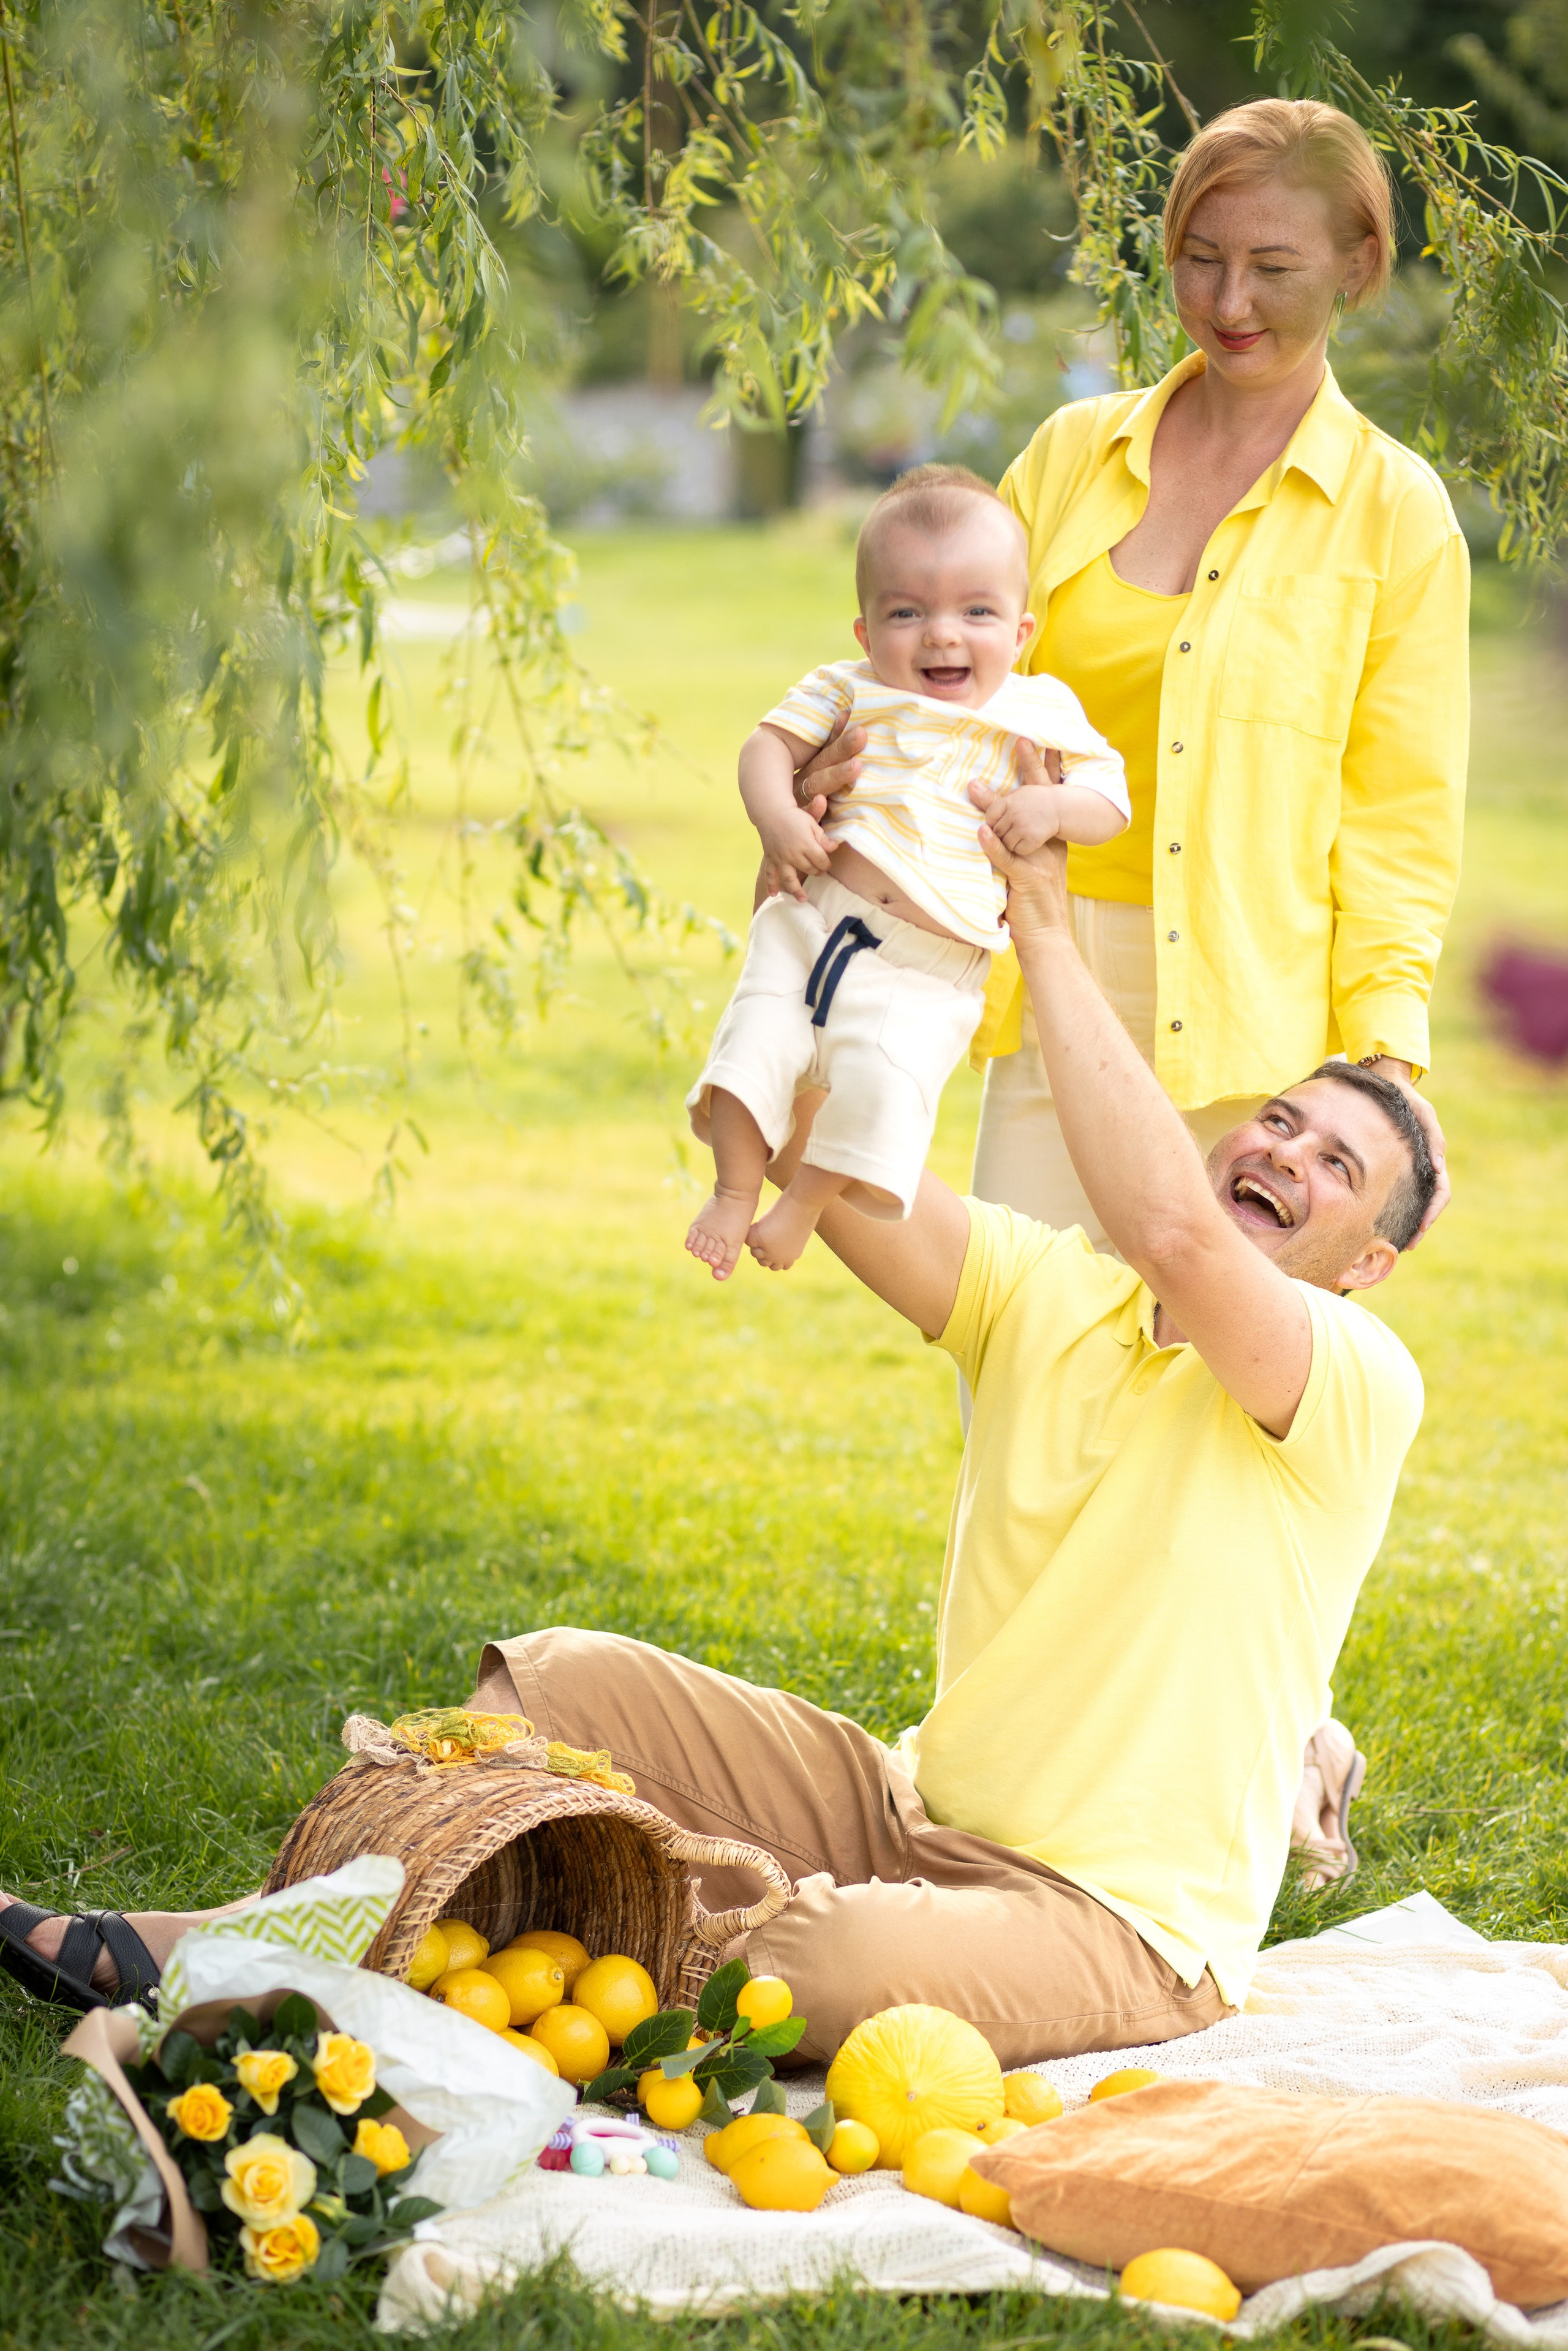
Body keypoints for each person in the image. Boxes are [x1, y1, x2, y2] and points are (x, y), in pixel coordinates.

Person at [1, 815, 1433, 2062]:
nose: (1279, 1155)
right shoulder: (1053, 1289)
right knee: (560, 1681)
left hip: (1110, 1920)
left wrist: (1044, 928)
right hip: (899, 1801)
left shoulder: (1352, 1377)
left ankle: (463, 1952)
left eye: (1332, 1165)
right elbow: (830, 1131)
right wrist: (822, 918)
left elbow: (1169, 1224)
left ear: (1367, 1258)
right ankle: (236, 1941)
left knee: (792, 1972)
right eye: (1278, 1121)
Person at [788, 97, 1466, 1247]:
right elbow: (943, 665)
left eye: (1272, 266)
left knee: (1197, 1379)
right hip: (1046, 961)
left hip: (1258, 1012)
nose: (1230, 303)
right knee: (1024, 1342)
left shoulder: (1398, 515)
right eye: (1201, 261)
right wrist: (837, 758)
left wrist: (1387, 1052)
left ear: (1359, 264)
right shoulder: (1070, 455)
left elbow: (1399, 815)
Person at [684, 466, 1129, 1281]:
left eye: (977, 611)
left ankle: (806, 1203)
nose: (942, 636)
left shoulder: (1035, 710)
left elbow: (1111, 799)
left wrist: (1054, 812)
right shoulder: (845, 690)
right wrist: (777, 817)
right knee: (755, 1043)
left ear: (1022, 630)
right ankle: (732, 1187)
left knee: (885, 1091)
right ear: (863, 631)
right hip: (815, 920)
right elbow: (765, 750)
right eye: (907, 613)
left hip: (928, 968)